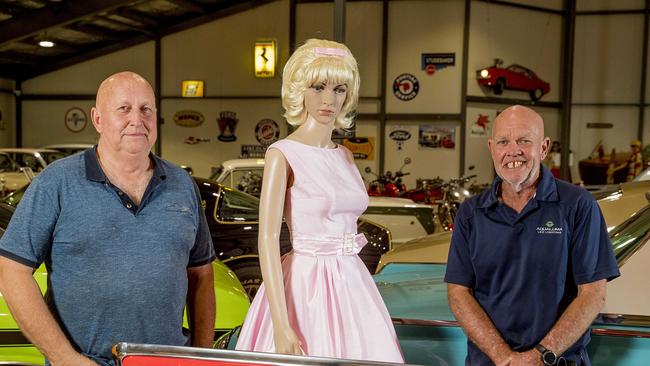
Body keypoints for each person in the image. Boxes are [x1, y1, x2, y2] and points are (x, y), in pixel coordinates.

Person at [0, 72, 216, 366]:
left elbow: (201, 274)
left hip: (168, 362)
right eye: (123, 108)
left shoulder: (181, 184)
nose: (137, 120)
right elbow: (12, 270)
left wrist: (201, 357)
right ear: (98, 119)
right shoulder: (57, 183)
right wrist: (65, 358)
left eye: (146, 109)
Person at [235, 39, 404, 363]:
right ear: (300, 89)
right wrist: (282, 326)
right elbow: (267, 239)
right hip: (305, 285)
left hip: (352, 283)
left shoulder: (345, 156)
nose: (329, 99)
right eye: (318, 87)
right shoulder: (283, 154)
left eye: (339, 89)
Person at [445, 105, 619, 366]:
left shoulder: (577, 205)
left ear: (544, 147)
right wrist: (503, 357)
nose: (513, 151)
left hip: (557, 361)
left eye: (524, 140)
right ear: (492, 148)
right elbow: (459, 292)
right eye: (504, 141)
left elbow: (592, 293)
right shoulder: (471, 213)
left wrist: (540, 355)